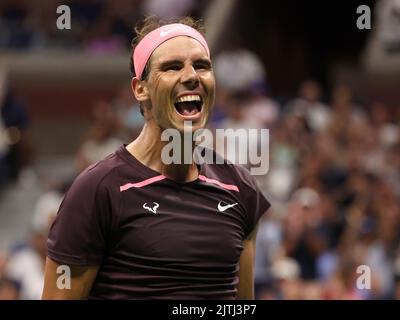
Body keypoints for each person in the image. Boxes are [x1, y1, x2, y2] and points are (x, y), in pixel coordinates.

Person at [42, 16, 270, 300]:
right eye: (172, 67)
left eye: (202, 65)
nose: (191, 76)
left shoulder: (241, 188)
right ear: (140, 89)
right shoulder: (97, 190)